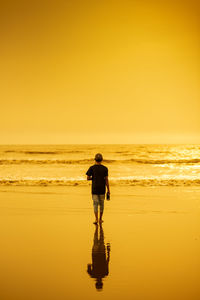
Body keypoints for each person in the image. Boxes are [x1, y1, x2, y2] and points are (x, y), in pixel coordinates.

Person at [86, 153, 110, 224]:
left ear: (95, 159)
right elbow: (106, 180)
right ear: (102, 160)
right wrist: (108, 190)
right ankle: (100, 219)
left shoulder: (92, 168)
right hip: (102, 189)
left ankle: (96, 219)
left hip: (95, 189)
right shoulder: (105, 168)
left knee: (95, 204)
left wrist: (93, 178)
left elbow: (87, 178)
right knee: (102, 204)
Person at [87, 224, 110, 290]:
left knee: (100, 238)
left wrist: (108, 250)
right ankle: (98, 226)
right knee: (96, 238)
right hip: (96, 253)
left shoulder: (105, 274)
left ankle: (98, 226)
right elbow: (88, 266)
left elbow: (107, 261)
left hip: (100, 252)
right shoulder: (93, 275)